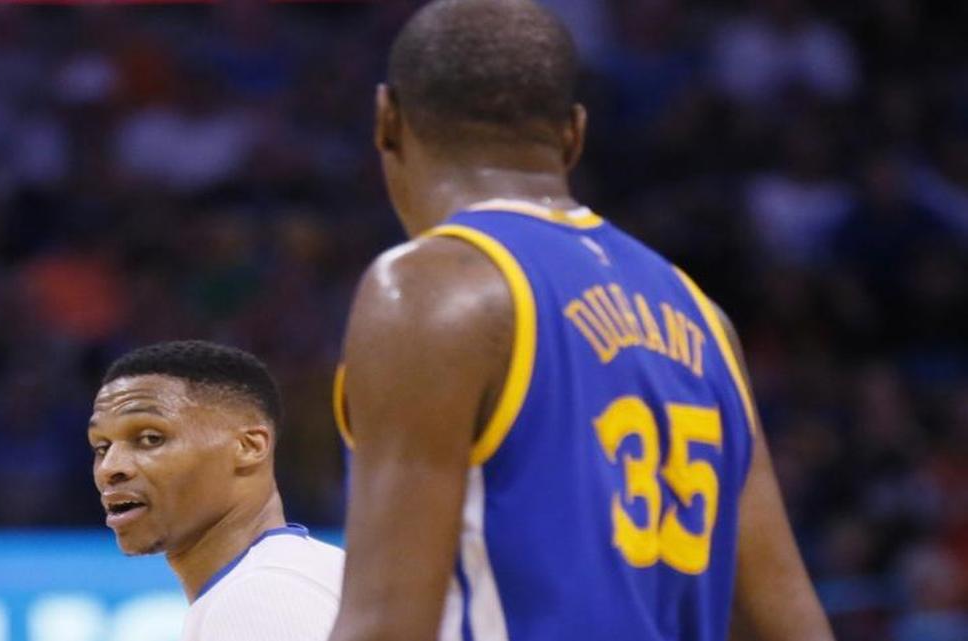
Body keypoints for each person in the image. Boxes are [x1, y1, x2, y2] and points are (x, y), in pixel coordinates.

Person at [327, 1, 835, 640]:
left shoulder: (432, 290)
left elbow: (385, 623)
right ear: (573, 133)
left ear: (386, 118)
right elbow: (793, 628)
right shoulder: (704, 318)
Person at [88, 340, 343, 641]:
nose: (110, 467)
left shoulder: (257, 600)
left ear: (249, 447)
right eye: (102, 447)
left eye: (150, 438)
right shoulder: (315, 568)